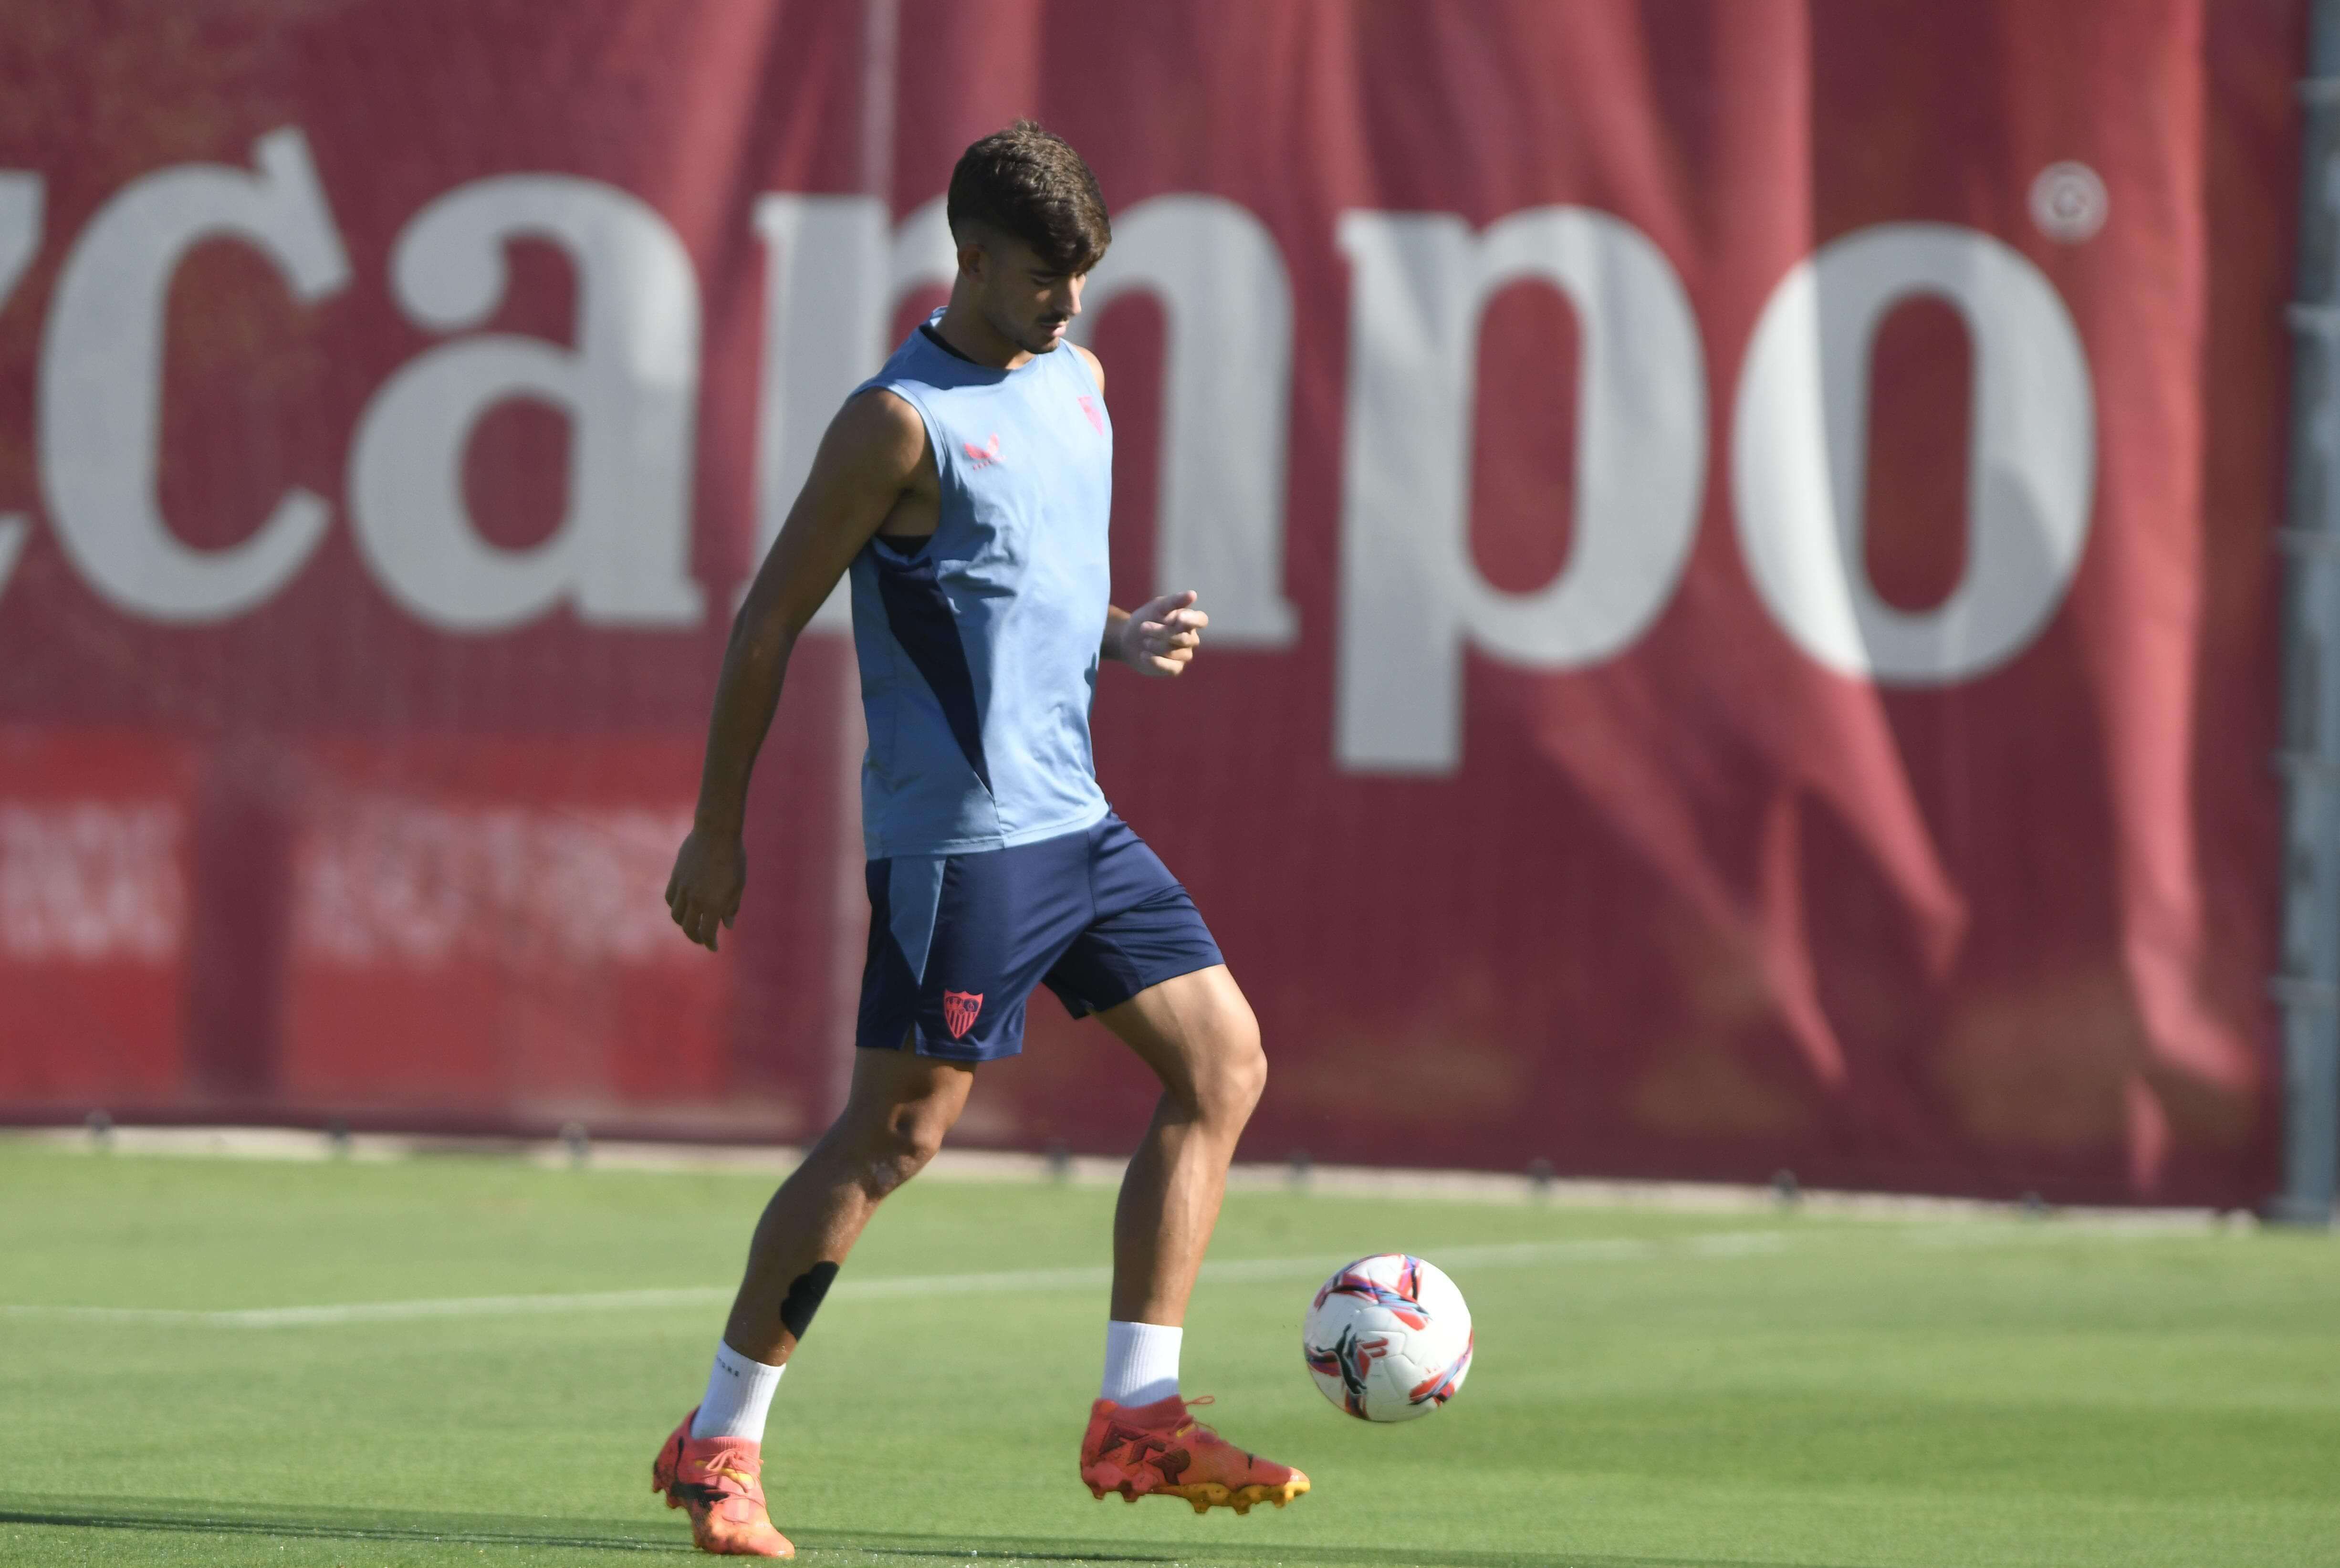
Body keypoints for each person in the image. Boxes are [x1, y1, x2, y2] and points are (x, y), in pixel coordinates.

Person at [652, 121, 1307, 1559]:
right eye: (1042, 278)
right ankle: (720, 1442)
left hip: (1078, 821)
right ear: (971, 259)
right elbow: (768, 623)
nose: (1068, 303)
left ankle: (1139, 1415)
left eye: (1084, 277)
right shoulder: (897, 421)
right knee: (896, 1137)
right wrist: (718, 828)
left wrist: (1119, 637)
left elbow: (1030, 577)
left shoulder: (1077, 380)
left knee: (1225, 1063)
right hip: (963, 845)